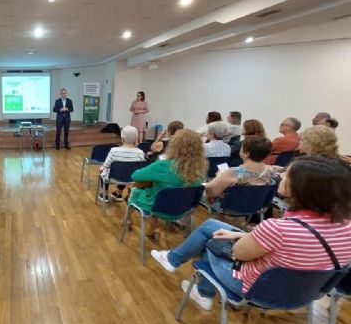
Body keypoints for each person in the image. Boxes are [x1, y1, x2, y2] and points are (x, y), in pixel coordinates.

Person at [151, 155, 351, 311]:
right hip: (305, 294)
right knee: (212, 226)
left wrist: (239, 239)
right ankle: (178, 265)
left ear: (302, 188)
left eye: (287, 175)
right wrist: (240, 234)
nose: (281, 175)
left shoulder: (277, 228)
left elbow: (238, 254)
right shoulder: (346, 227)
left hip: (257, 289)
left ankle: (200, 289)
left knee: (212, 240)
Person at [128, 129, 206, 238]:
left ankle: (133, 221)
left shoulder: (163, 165)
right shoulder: (200, 170)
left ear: (174, 146)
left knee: (136, 190)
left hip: (158, 208)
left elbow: (135, 176)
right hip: (183, 210)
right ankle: (154, 227)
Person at [204, 136, 276, 207]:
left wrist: (219, 177)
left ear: (247, 154)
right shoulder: (271, 170)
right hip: (257, 206)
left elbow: (211, 192)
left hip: (232, 206)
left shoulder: (233, 172)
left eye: (241, 148)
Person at [98, 126, 145, 203]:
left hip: (113, 177)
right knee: (127, 170)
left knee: (103, 169)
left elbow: (106, 165)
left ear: (122, 137)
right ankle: (118, 193)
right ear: (136, 138)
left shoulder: (114, 150)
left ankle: (105, 194)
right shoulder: (140, 152)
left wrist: (102, 168)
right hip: (131, 178)